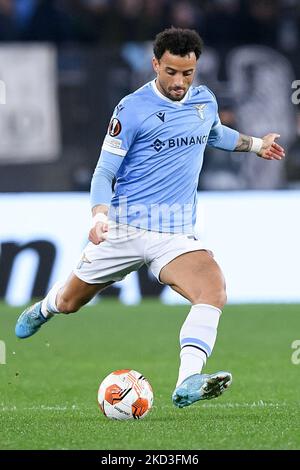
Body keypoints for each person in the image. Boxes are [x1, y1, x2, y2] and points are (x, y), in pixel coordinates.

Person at [15, 28, 285, 408]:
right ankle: (44, 308)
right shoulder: (131, 109)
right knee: (71, 302)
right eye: (171, 72)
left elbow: (214, 132)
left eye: (187, 73)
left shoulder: (204, 101)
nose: (179, 82)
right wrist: (98, 216)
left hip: (174, 234)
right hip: (124, 228)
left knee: (213, 289)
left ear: (196, 68)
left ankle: (188, 380)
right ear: (155, 63)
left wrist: (257, 145)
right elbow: (103, 173)